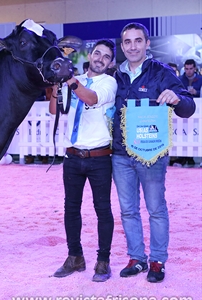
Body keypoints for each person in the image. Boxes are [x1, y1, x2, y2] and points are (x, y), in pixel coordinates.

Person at [112, 23, 195, 283]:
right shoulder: (116, 76)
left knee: (156, 208)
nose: (133, 46)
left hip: (152, 154)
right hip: (120, 154)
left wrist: (177, 97)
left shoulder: (161, 72)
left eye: (138, 41)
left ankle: (157, 260)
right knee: (128, 210)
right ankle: (137, 258)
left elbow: (188, 107)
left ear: (147, 43)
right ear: (122, 45)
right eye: (128, 42)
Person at [49, 39, 117, 282]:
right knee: (71, 209)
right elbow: (55, 110)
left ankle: (103, 261)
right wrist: (58, 82)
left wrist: (69, 80)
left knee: (102, 210)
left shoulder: (109, 83)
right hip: (73, 156)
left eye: (106, 56)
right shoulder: (74, 78)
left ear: (111, 63)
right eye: (97, 53)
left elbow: (90, 99)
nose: (100, 58)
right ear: (90, 54)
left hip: (99, 157)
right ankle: (75, 257)